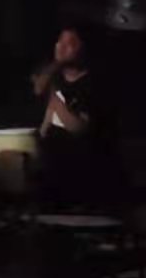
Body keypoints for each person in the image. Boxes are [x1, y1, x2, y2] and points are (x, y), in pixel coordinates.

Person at [32, 25, 114, 209]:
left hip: (83, 171)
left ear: (84, 48)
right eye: (60, 41)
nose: (61, 47)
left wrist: (56, 103)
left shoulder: (94, 83)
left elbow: (79, 128)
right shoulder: (55, 77)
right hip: (52, 172)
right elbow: (39, 90)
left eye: (70, 43)